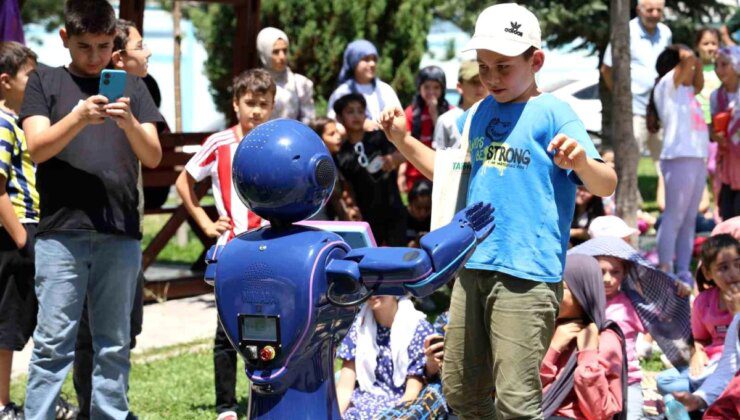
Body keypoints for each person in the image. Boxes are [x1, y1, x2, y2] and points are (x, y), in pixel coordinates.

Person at [379, 4, 617, 417]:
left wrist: (580, 162)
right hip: (471, 267)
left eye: (503, 67)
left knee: (515, 400)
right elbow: (450, 174)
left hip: (526, 275)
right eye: (483, 66)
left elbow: (606, 182)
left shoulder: (555, 114)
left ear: (536, 61)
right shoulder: (478, 113)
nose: (490, 78)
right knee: (460, 389)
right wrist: (402, 140)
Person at [20, 0, 163, 418]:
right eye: (84, 46)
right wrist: (80, 117)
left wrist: (130, 124)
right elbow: (37, 148)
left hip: (118, 232)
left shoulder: (132, 86)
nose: (96, 56)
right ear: (65, 38)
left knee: (114, 344)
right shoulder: (44, 82)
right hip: (61, 235)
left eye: (104, 46)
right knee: (52, 345)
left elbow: (152, 156)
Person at [72, 18, 160, 419]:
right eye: (141, 46)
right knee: (90, 334)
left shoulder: (141, 92)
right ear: (121, 56)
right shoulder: (85, 100)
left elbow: (153, 155)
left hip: (127, 228)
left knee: (125, 329)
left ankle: (111, 407)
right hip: (90, 232)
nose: (149, 53)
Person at [176, 68, 275, 420]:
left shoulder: (277, 142)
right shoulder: (219, 144)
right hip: (232, 250)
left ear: (273, 105)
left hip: (272, 249)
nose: (256, 111)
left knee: (270, 325)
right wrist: (204, 222)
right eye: (249, 103)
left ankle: (267, 395)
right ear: (236, 105)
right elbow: (184, 182)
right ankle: (225, 406)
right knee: (227, 330)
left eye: (263, 104)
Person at [0, 41, 38, 420]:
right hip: (18, 230)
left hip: (27, 229)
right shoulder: (2, 123)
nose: (37, 79)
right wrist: (23, 237)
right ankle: (2, 403)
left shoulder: (19, 120)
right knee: (8, 323)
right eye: (30, 73)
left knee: (28, 319)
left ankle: (37, 397)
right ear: (6, 81)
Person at [540, 254, 626, 420]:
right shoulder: (547, 329)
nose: (550, 295)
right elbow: (523, 391)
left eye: (560, 288)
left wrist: (587, 353)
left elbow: (599, 412)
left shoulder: (606, 339)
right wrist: (553, 348)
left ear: (582, 294)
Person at [650, 44, 709, 284]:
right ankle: (666, 269)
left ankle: (683, 271)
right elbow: (687, 64)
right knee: (673, 217)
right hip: (678, 159)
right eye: (688, 65)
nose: (693, 69)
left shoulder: (687, 91)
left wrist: (695, 60)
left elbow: (700, 81)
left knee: (689, 219)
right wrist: (686, 52)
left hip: (696, 159)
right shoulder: (667, 85)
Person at [655, 234, 737, 398]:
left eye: (738, 264)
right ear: (708, 273)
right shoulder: (703, 302)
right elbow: (700, 338)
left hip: (735, 365)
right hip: (712, 365)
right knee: (665, 380)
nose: (733, 273)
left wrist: (737, 312)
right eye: (723, 268)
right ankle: (707, 397)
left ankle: (702, 399)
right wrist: (697, 353)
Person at [335, 296, 434, 419]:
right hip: (359, 406)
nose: (372, 293)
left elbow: (411, 393)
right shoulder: (358, 326)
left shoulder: (417, 328)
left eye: (380, 285)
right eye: (368, 285)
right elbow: (345, 387)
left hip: (398, 409)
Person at [601, 0, 672, 163]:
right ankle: (630, 191)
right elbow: (606, 69)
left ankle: (663, 190)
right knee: (628, 163)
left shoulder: (666, 33)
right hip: (634, 110)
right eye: (650, 10)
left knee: (664, 163)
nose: (655, 14)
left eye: (659, 10)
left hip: (660, 109)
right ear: (639, 10)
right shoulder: (625, 31)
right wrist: (622, 98)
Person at [334, 93, 405, 246]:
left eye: (360, 111)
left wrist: (393, 160)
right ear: (339, 118)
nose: (356, 115)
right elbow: (346, 187)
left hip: (392, 207)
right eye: (350, 111)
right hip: (367, 215)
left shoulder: (379, 137)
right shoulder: (342, 153)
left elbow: (405, 154)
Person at [596, 253, 648, 420]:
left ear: (624, 273)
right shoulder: (585, 302)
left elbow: (660, 318)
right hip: (595, 380)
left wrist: (679, 291)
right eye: (601, 271)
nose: (607, 279)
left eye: (615, 272)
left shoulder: (631, 304)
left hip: (628, 380)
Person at [327, 39, 401, 126]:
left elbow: (399, 119)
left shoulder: (385, 90)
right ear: (354, 63)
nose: (372, 64)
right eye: (366, 59)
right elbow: (333, 125)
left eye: (374, 59)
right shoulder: (342, 92)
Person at [400, 66, 450, 192]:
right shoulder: (410, 113)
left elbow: (450, 142)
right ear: (419, 88)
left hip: (440, 174)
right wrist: (401, 174)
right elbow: (403, 144)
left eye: (436, 87)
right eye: (426, 87)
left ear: (443, 89)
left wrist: (435, 116)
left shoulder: (451, 112)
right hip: (415, 176)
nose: (431, 92)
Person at [255, 27, 315, 124]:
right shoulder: (253, 83)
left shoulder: (300, 83)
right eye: (275, 52)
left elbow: (309, 119)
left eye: (285, 50)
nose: (282, 56)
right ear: (264, 53)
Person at [308, 117, 361, 221]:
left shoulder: (335, 158)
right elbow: (335, 199)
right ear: (319, 139)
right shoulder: (319, 167)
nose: (338, 137)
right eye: (331, 134)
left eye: (337, 132)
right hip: (320, 220)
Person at [710, 46, 740, 220]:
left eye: (724, 65)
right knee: (727, 211)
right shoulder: (716, 96)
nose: (718, 70)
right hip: (727, 163)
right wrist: (715, 135)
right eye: (716, 65)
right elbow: (713, 127)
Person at [432, 60, 487, 151]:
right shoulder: (446, 120)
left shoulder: (498, 118)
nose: (480, 87)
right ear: (459, 87)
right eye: (474, 82)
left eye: (483, 81)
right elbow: (438, 160)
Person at [404, 179, 431, 248]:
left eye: (427, 208)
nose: (423, 213)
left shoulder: (434, 219)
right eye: (418, 208)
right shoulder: (401, 219)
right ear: (410, 204)